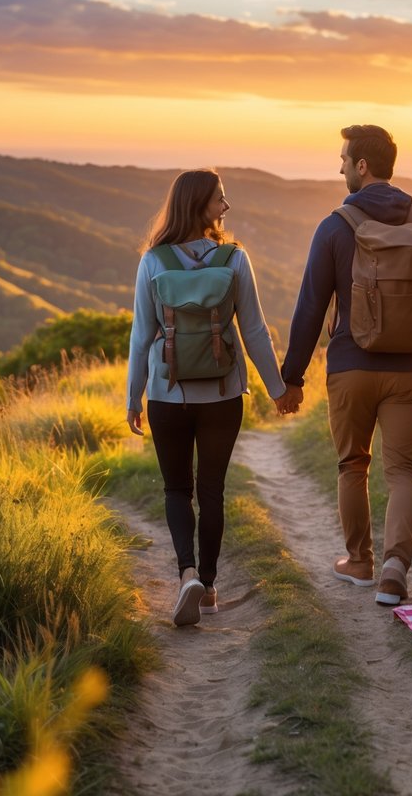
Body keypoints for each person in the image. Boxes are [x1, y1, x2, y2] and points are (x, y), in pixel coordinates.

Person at [278, 125, 412, 606]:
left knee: (352, 465)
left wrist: (292, 378)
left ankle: (359, 563)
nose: (339, 166)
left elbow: (310, 307)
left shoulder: (335, 226)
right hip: (407, 371)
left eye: (343, 159)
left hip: (349, 368)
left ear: (363, 166)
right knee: (402, 471)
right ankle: (395, 567)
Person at [127, 169, 293, 627]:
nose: (226, 206)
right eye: (220, 198)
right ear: (200, 205)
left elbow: (142, 337)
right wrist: (276, 390)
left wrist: (133, 398)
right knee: (212, 490)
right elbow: (255, 332)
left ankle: (186, 576)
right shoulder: (234, 259)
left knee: (177, 489)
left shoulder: (153, 262)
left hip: (167, 394)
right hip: (221, 395)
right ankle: (210, 585)